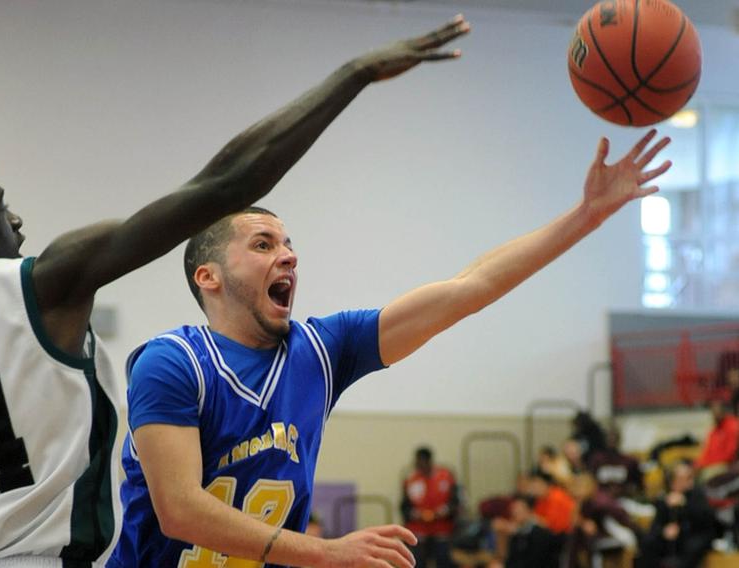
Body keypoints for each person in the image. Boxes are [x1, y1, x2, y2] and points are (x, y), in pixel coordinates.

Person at [0, 15, 415, 566]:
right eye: (2, 209)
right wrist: (353, 75)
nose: (19, 223)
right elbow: (226, 184)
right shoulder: (43, 284)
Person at [110, 91, 672, 568]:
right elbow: (179, 509)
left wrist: (585, 218)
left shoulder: (324, 350)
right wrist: (327, 553)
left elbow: (468, 288)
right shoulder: (173, 362)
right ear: (207, 277)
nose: (288, 256)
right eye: (263, 244)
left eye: (289, 244)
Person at [640, 462, 719, 568]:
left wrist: (685, 504)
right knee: (648, 542)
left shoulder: (697, 493)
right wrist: (664, 531)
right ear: (673, 482)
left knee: (691, 547)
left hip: (695, 534)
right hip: (673, 535)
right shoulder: (665, 497)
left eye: (689, 478)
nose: (688, 482)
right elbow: (656, 524)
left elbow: (707, 519)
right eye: (682, 479)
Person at [401, 446, 459, 567]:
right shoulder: (411, 480)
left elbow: (455, 502)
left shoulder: (446, 477)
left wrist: (445, 511)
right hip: (419, 531)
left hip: (442, 530)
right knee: (416, 562)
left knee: (444, 561)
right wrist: (416, 514)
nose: (420, 465)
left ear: (429, 461)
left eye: (422, 461)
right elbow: (405, 507)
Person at [488, 495, 561, 568]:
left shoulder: (539, 533)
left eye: (520, 509)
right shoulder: (515, 532)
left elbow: (534, 561)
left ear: (529, 511)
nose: (515, 512)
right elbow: (508, 558)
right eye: (514, 509)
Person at [694, 398, 739, 481]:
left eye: (717, 411)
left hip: (725, 465)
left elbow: (730, 454)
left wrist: (707, 464)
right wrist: (698, 464)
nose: (715, 414)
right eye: (713, 411)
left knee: (707, 474)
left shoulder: (733, 426)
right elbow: (707, 451)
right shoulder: (714, 430)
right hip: (711, 464)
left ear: (723, 411)